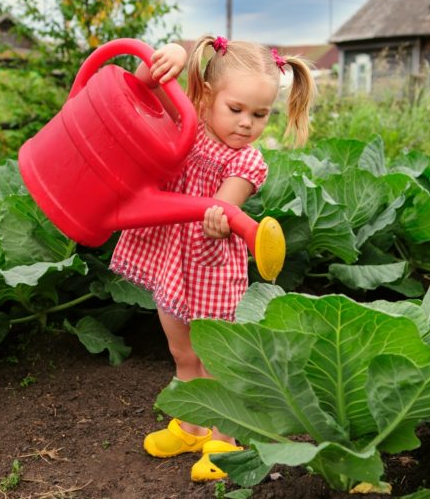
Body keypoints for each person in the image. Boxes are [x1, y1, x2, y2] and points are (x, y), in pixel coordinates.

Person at [109, 34, 315, 482]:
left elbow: (220, 206)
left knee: (216, 358)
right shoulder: (190, 118)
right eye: (236, 109)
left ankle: (224, 438)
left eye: (260, 115)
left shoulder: (249, 162)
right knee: (182, 353)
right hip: (171, 258)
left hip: (209, 268)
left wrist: (220, 216)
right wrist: (171, 60)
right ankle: (191, 426)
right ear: (206, 95)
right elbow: (141, 87)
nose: (246, 124)